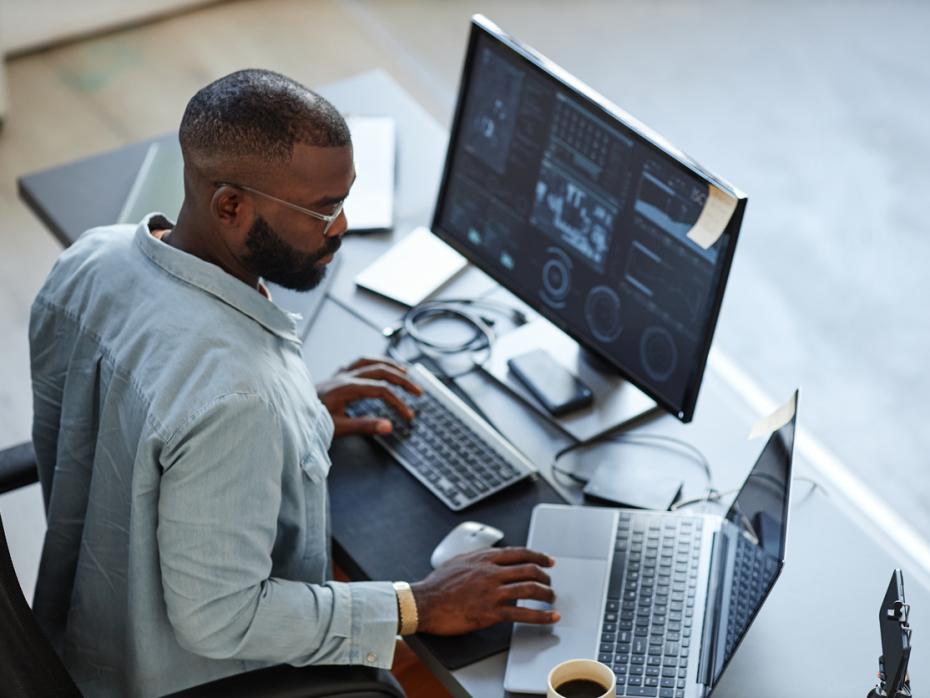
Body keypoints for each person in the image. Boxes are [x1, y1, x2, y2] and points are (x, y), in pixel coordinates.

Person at [29, 69, 559, 698]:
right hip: (181, 678)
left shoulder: (92, 258)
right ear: (230, 205)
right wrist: (417, 604)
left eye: (345, 198)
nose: (340, 227)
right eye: (322, 210)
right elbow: (221, 619)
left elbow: (148, 420)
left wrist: (298, 417)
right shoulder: (239, 397)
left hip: (81, 630)